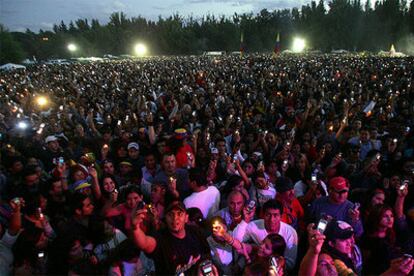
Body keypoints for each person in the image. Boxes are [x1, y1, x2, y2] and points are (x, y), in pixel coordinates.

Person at [131, 200, 211, 275]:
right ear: (165, 218)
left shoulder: (195, 232)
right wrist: (135, 228)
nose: (175, 218)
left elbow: (206, 254)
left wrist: (205, 266)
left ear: (186, 218)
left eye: (179, 213)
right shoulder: (161, 239)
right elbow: (144, 243)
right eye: (170, 214)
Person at [233, 199, 298, 270]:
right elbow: (235, 240)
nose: (271, 219)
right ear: (263, 215)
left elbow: (290, 263)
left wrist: (254, 248)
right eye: (268, 215)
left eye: (275, 215)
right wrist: (245, 221)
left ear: (281, 216)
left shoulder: (290, 232)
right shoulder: (254, 226)